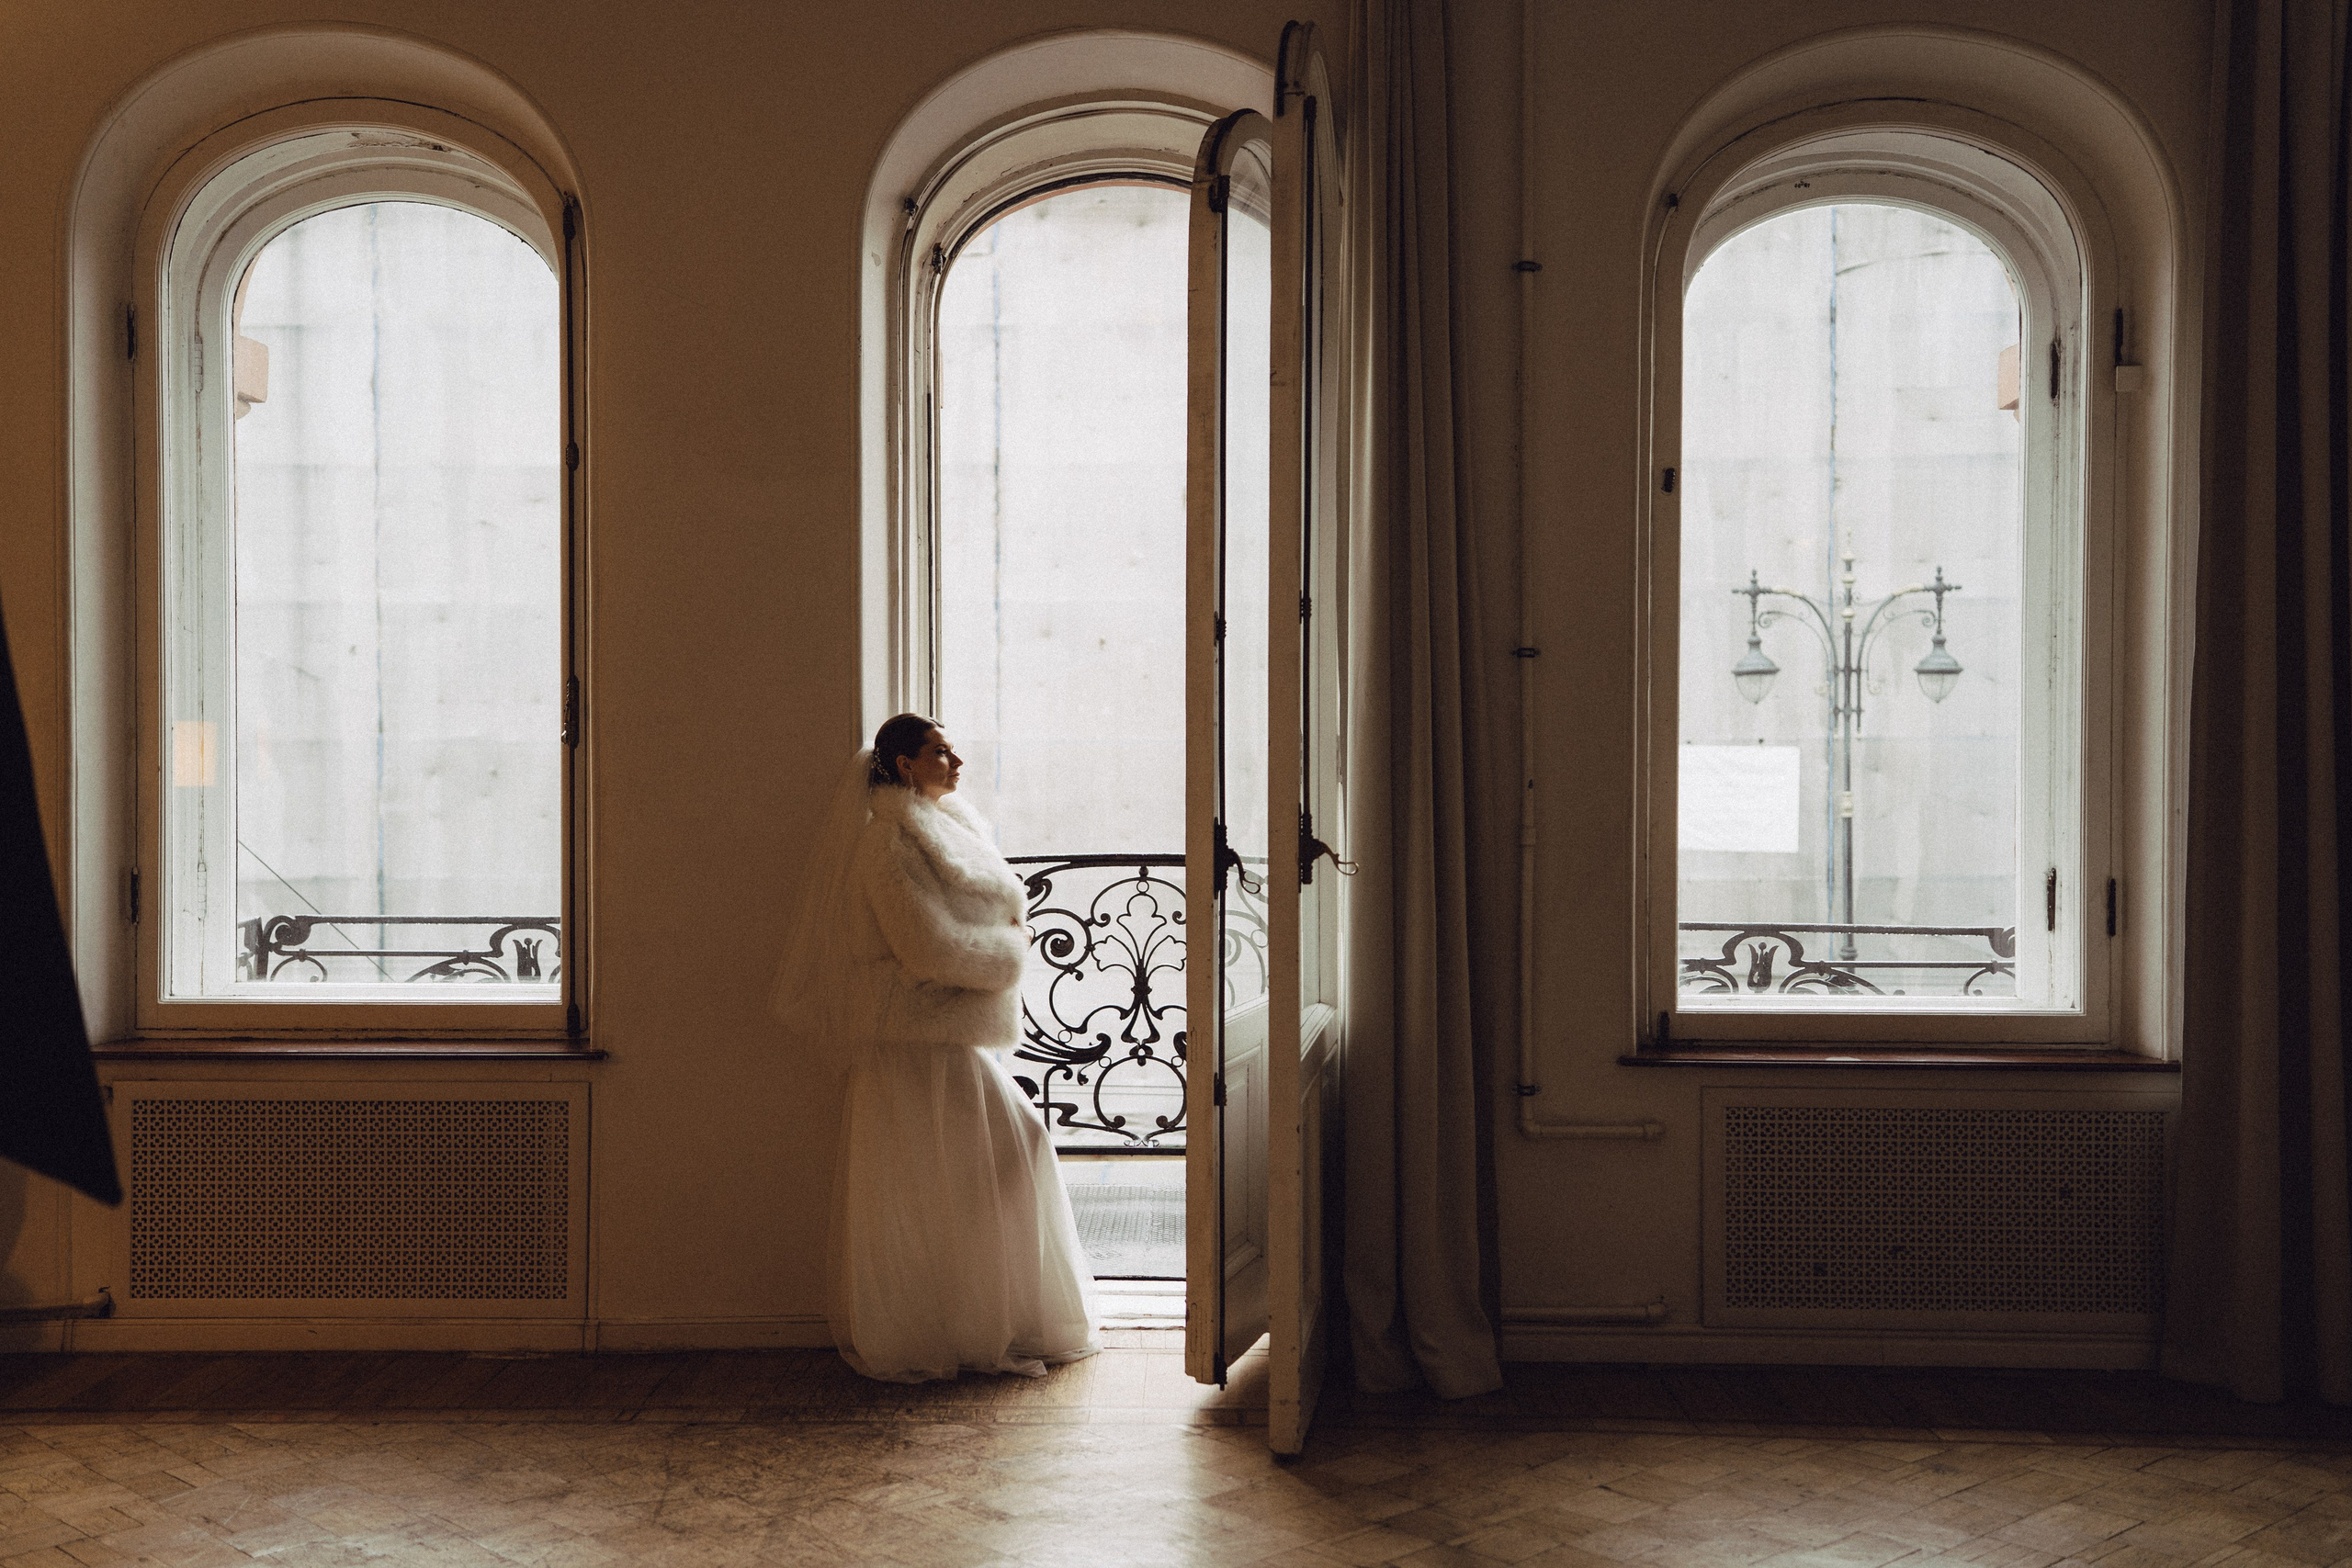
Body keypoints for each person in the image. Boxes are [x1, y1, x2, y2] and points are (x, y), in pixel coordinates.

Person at [772, 713, 1099, 1382]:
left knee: (964, 1177)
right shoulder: (886, 843)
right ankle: (948, 1329)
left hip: (941, 1031)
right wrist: (1010, 953)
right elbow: (924, 946)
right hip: (914, 1038)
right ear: (904, 764)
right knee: (950, 1175)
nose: (957, 762)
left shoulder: (942, 828)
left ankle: (981, 1320)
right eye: (941, 752)